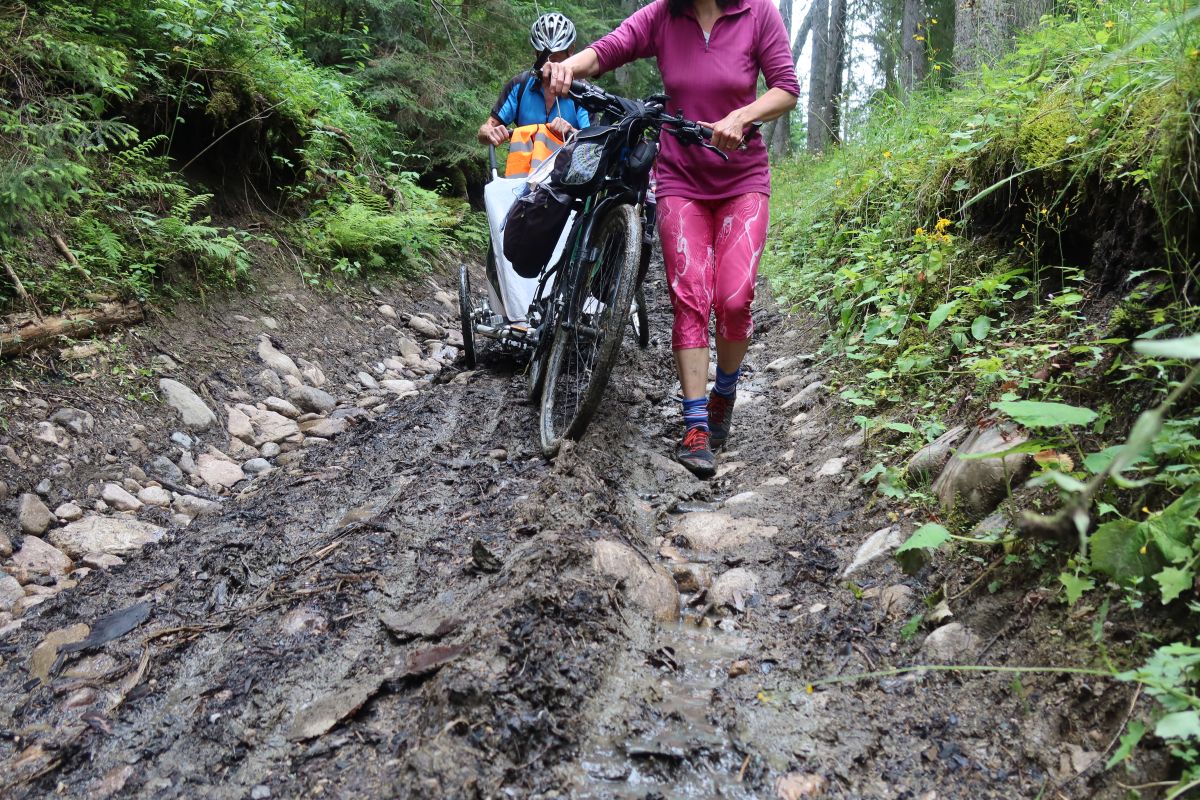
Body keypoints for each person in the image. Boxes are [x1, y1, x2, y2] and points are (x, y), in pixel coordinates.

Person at [541, 0, 800, 477]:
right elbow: (609, 49)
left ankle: (725, 391)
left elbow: (786, 88)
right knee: (691, 296)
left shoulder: (757, 12)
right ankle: (696, 424)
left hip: (742, 179)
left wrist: (742, 116)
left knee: (735, 297)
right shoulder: (663, 15)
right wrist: (566, 67)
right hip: (680, 178)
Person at [477, 12, 592, 177]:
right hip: (520, 182)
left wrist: (571, 131)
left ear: (571, 51)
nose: (550, 65)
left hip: (564, 185)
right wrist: (488, 132)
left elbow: (593, 146)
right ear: (536, 53)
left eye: (556, 58)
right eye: (544, 57)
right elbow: (484, 132)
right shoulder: (520, 85)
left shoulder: (582, 93)